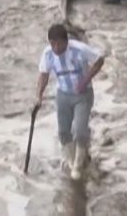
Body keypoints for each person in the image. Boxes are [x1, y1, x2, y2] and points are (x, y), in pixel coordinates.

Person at [34, 23, 106, 181]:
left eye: (59, 43)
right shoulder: (47, 54)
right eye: (52, 43)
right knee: (63, 133)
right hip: (63, 95)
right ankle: (73, 161)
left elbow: (100, 60)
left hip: (83, 95)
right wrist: (39, 96)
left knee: (80, 131)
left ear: (67, 41)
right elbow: (43, 75)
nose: (56, 47)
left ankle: (79, 166)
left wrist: (86, 79)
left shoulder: (79, 49)